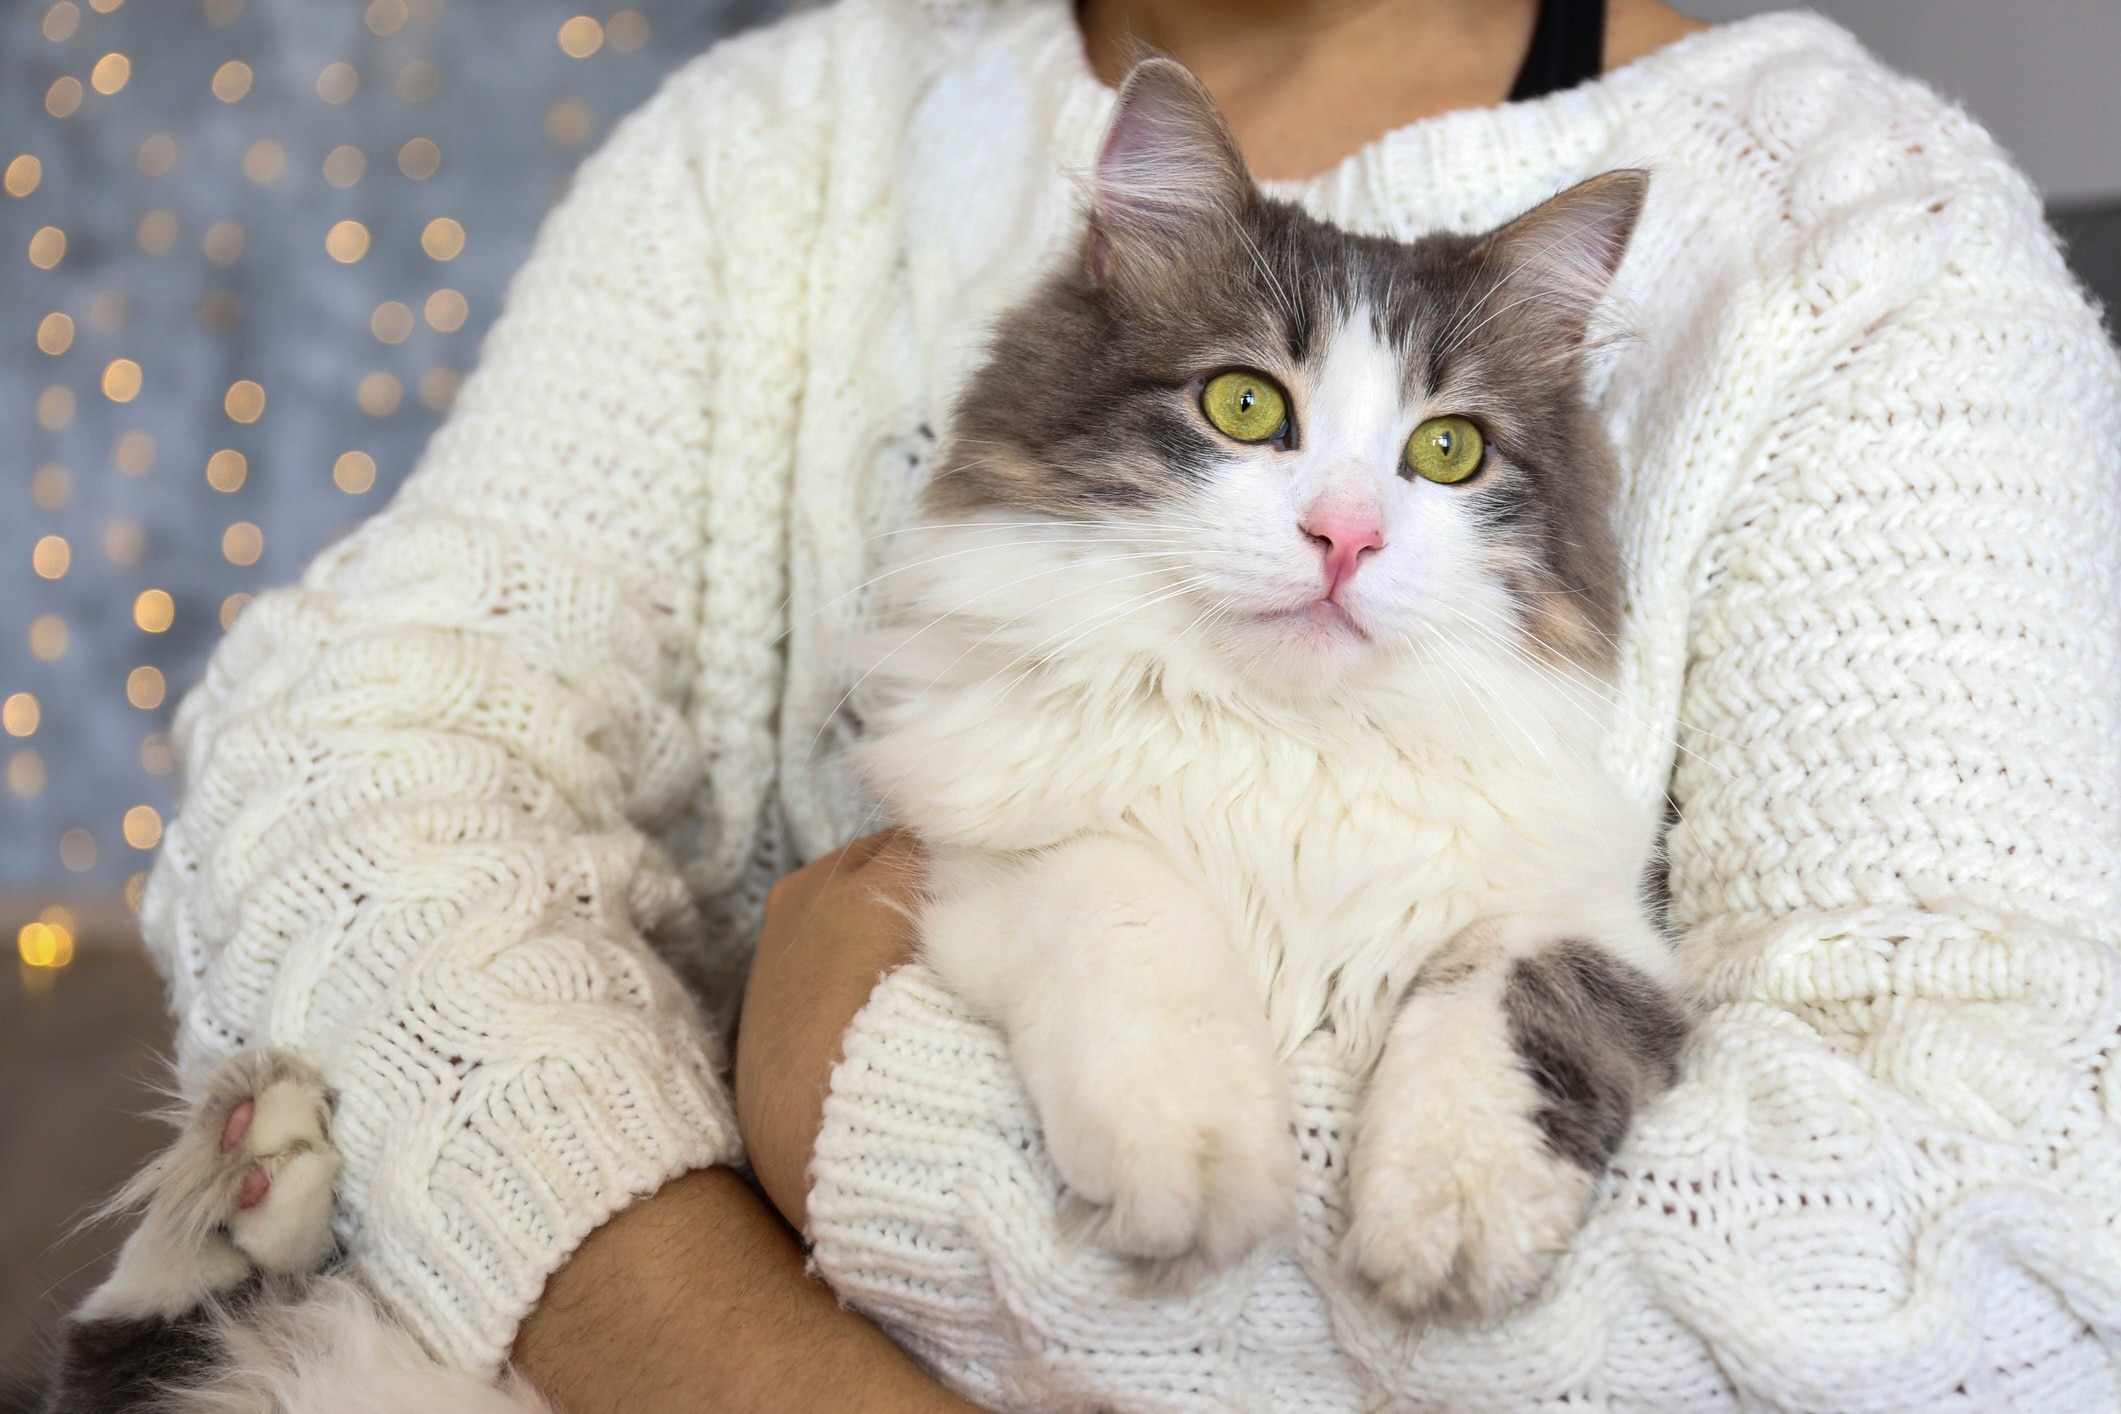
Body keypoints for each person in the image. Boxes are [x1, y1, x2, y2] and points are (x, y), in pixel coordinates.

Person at [144, 0, 2121, 1407]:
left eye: (1429, 461)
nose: (1345, 532)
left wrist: (857, 1103)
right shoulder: (770, 142)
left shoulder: (1861, 232)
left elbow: (2004, 1281)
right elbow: (351, 770)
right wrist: (704, 1339)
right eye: (1247, 410)